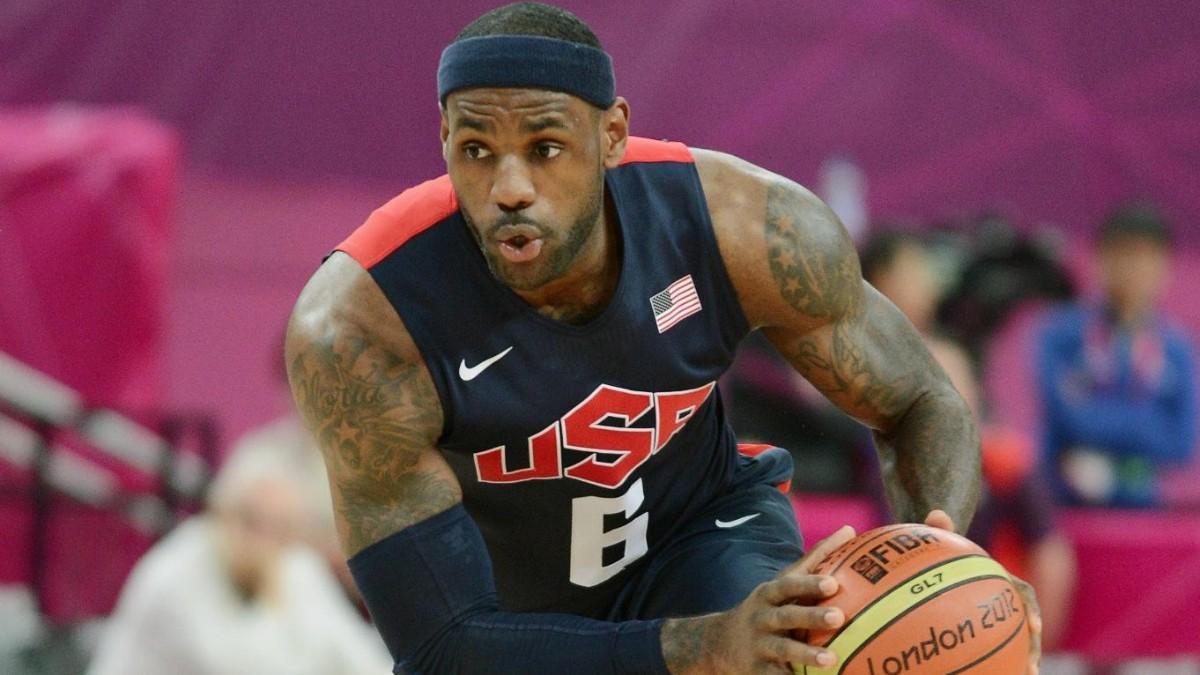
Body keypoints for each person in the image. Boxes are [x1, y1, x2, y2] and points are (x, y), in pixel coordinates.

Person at [284, 4, 1040, 673]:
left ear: (612, 134)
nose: (509, 186)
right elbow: (444, 649)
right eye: (476, 150)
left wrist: (941, 564)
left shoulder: (745, 226)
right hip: (513, 623)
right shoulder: (360, 329)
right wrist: (699, 649)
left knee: (785, 652)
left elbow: (918, 399)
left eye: (546, 147)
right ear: (444, 138)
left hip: (702, 532)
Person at [863, 230, 1076, 650]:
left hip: (988, 626)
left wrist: (1037, 647)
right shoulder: (878, 457)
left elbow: (1053, 557)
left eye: (950, 393)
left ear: (974, 400)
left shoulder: (1005, 462)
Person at [86, 435, 390, 675]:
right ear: (222, 511)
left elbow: (356, 653)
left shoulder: (293, 564)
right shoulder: (173, 571)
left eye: (281, 527)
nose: (263, 538)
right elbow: (243, 666)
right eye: (251, 520)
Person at [1038, 203, 1197, 508]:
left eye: (1146, 256)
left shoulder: (1178, 349)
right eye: (1124, 255)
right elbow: (1068, 420)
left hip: (1147, 510)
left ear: (1165, 266)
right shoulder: (1061, 337)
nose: (1134, 268)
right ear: (1101, 260)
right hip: (1068, 507)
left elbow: (1181, 442)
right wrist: (1147, 423)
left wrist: (1100, 418)